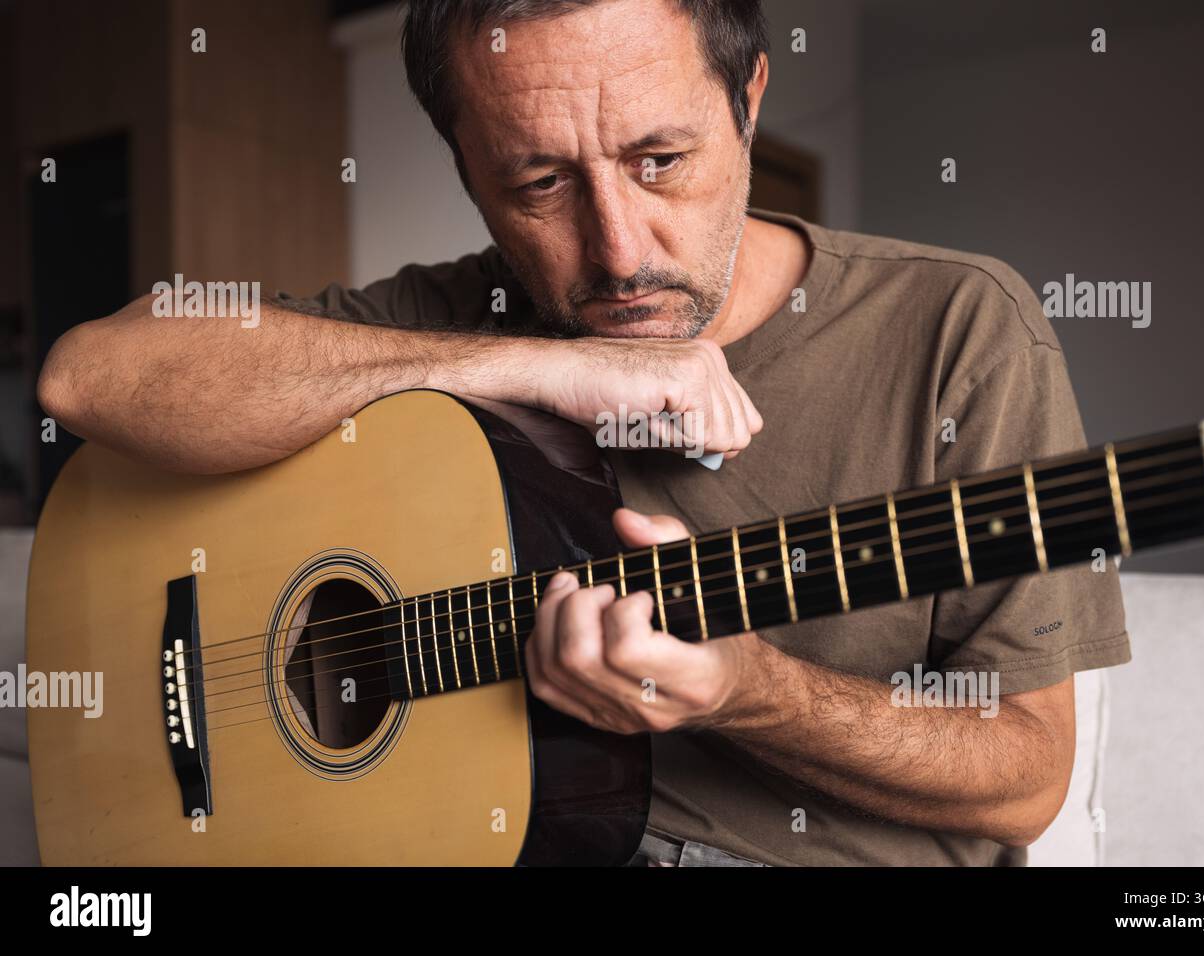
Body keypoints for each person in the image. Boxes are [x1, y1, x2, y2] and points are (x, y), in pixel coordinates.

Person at [37, 0, 1129, 866]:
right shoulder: (453, 315)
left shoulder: (959, 327)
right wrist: (540, 362)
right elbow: (91, 375)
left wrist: (749, 688)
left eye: (660, 160)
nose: (617, 252)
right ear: (464, 163)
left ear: (747, 97)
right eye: (539, 181)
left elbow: (1025, 776)